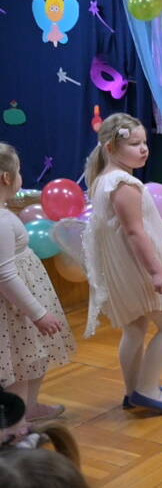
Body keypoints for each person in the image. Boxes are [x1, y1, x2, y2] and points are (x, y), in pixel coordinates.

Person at [82, 114, 162, 414]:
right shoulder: (123, 183)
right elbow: (135, 232)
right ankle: (147, 389)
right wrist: (156, 272)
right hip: (137, 268)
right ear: (111, 148)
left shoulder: (103, 180)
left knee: (136, 329)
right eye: (134, 144)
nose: (143, 149)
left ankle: (134, 390)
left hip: (124, 268)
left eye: (144, 143)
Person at [0, 144, 75, 423]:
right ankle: (16, 427)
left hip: (21, 305)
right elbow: (5, 274)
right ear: (7, 178)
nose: (21, 176)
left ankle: (28, 409)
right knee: (21, 368)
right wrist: (38, 313)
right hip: (16, 310)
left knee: (33, 358)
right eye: (19, 171)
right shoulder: (1, 221)